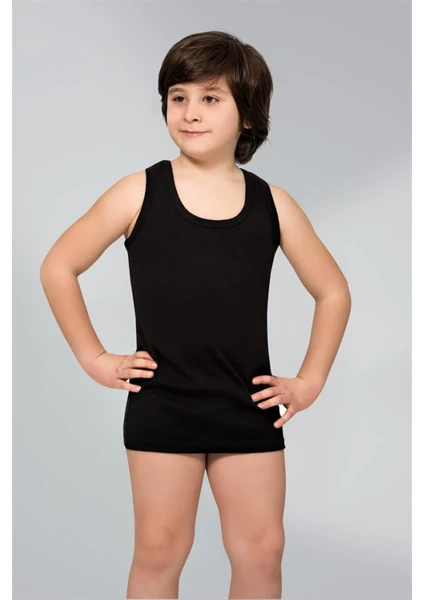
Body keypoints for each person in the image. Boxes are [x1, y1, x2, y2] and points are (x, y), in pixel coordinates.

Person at [40, 30, 351, 600]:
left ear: (248, 116)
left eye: (210, 98)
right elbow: (58, 266)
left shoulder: (274, 204)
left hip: (245, 406)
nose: (190, 112)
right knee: (159, 551)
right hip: (164, 403)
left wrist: (309, 381)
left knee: (262, 551)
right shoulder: (137, 192)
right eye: (177, 97)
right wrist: (94, 357)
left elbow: (333, 291)